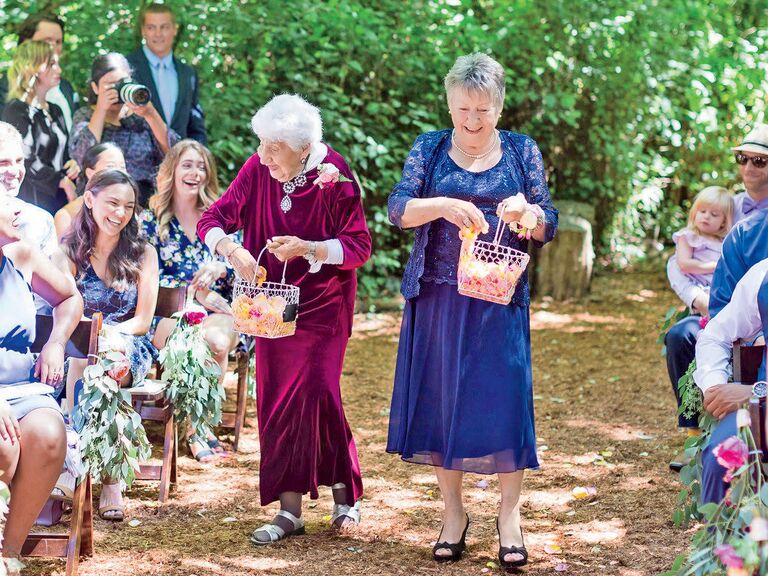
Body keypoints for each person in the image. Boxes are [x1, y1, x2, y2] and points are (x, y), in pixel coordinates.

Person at [385, 53, 558, 568]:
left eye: (482, 109)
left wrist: (526, 213)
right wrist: (440, 204)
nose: (473, 120)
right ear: (450, 105)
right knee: (442, 402)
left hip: (498, 297)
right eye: (463, 109)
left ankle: (510, 516)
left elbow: (548, 221)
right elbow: (398, 209)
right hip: (438, 295)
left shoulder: (523, 151)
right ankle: (454, 514)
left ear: (499, 107)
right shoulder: (430, 147)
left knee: (503, 403)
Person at [197, 94, 371, 544]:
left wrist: (309, 248)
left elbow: (358, 247)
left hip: (324, 306)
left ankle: (344, 494)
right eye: (261, 143)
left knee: (319, 391)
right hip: (268, 307)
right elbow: (212, 218)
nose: (261, 154)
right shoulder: (258, 170)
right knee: (276, 398)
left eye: (273, 146)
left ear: (301, 145)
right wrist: (232, 251)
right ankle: (288, 509)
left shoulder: (334, 175)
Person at [666, 124, 768, 468]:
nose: (750, 167)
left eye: (760, 160)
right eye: (743, 158)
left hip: (755, 308)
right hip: (718, 304)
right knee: (682, 335)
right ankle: (695, 431)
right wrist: (694, 296)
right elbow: (680, 258)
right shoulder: (726, 206)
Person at [63, 170, 160, 521]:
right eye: (113, 203)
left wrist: (108, 338)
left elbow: (144, 320)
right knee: (82, 360)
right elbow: (64, 312)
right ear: (90, 199)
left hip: (128, 345)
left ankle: (108, 477)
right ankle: (79, 460)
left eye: (128, 207)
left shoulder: (142, 253)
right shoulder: (69, 252)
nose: (120, 213)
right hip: (78, 350)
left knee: (103, 361)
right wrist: (91, 342)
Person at [139, 139, 237, 461]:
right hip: (167, 312)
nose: (195, 173)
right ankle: (195, 427)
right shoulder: (150, 222)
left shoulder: (221, 219)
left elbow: (246, 269)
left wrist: (221, 266)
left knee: (217, 340)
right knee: (189, 339)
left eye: (201, 166)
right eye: (187, 165)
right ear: (172, 172)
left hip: (216, 310)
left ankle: (201, 425)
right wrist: (192, 293)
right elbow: (141, 277)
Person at [0, 199, 83, 567]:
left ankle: (7, 556)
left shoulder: (22, 254)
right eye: (5, 204)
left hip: (21, 388)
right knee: (5, 449)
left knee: (49, 434)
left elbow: (69, 298)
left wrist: (55, 342)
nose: (17, 210)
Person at [694, 257, 768, 504]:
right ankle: (717, 539)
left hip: (759, 397)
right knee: (718, 459)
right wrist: (715, 386)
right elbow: (715, 336)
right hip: (761, 408)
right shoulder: (762, 274)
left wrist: (757, 392)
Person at [69, 52, 180, 207]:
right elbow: (80, 155)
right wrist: (101, 109)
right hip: (99, 203)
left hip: (143, 203)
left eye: (122, 82)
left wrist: (151, 114)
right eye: (110, 84)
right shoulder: (85, 115)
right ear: (95, 87)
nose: (117, 89)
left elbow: (176, 153)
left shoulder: (141, 116)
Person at [2, 40, 79, 214]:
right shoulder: (16, 110)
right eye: (51, 64)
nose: (58, 70)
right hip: (34, 200)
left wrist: (72, 163)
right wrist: (60, 180)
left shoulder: (56, 110)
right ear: (32, 68)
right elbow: (25, 160)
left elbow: (63, 152)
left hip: (62, 198)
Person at [127, 3, 207, 144]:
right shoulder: (126, 67)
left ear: (174, 29)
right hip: (139, 161)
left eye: (164, 27)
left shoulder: (188, 73)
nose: (158, 34)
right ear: (143, 30)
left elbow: (196, 125)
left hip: (180, 161)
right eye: (151, 27)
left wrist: (202, 159)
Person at [0, 13, 80, 128]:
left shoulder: (66, 88)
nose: (53, 48)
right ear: (26, 44)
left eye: (58, 42)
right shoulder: (3, 88)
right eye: (46, 41)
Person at [54, 142, 126, 240]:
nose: (119, 173)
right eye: (110, 167)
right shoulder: (66, 216)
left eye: (122, 167)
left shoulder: (128, 211)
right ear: (90, 173)